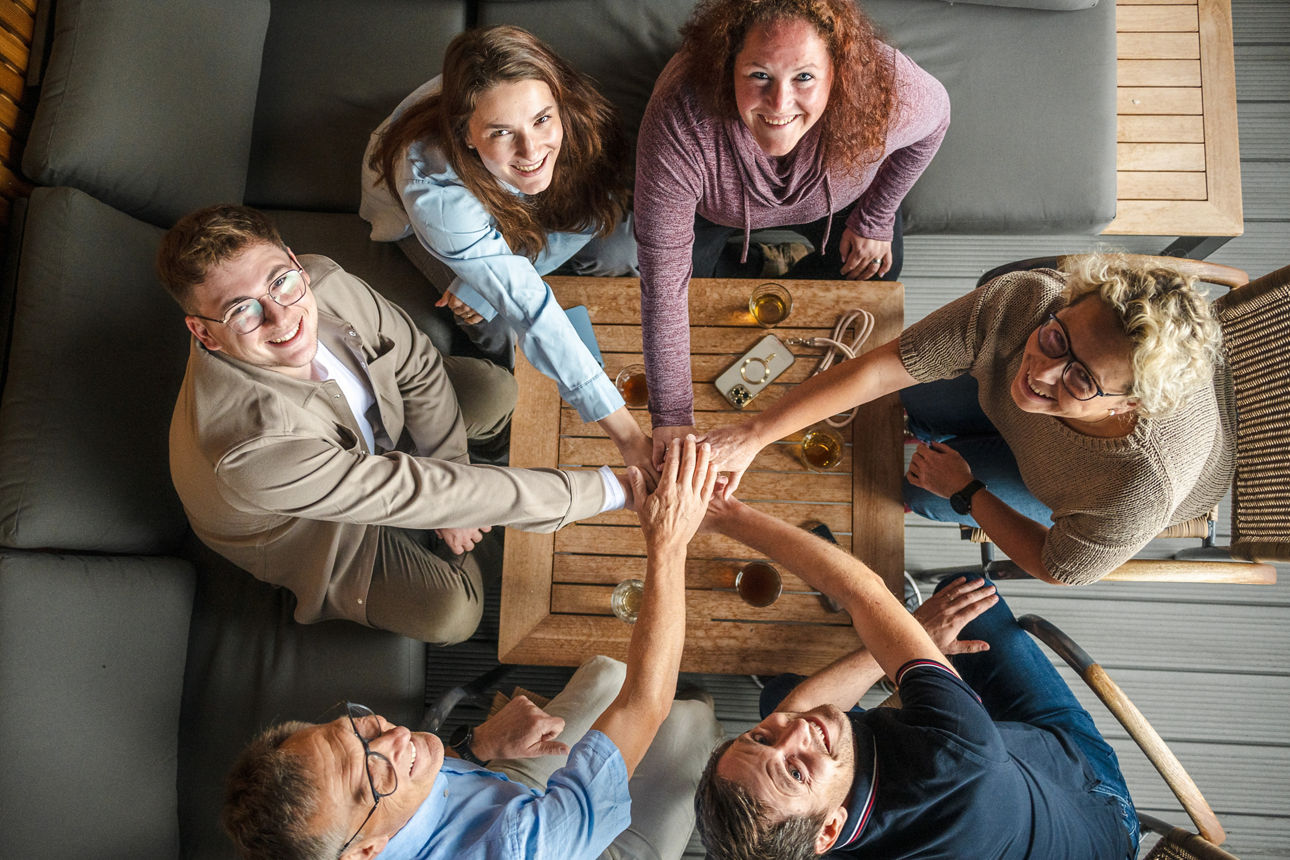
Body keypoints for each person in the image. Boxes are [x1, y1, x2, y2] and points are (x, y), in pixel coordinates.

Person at [220, 436, 724, 860]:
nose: (395, 736)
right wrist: (669, 542)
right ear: (366, 851)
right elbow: (644, 706)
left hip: (497, 790)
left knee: (609, 673)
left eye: (360, 726)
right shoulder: (521, 847)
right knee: (686, 722)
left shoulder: (381, 799)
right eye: (374, 771)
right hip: (573, 843)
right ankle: (704, 713)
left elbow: (394, 758)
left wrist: (476, 747)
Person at [161, 204, 637, 644]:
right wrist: (615, 490)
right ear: (204, 332)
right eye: (240, 310)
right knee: (451, 614)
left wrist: (453, 473)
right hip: (317, 528)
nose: (281, 317)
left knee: (493, 392)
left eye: (281, 281)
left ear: (293, 261)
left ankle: (485, 495)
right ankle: (491, 524)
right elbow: (411, 491)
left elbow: (416, 363)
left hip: (383, 432)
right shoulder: (250, 450)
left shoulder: (322, 278)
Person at [705, 255, 1233, 585]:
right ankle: (949, 429)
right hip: (1020, 418)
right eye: (1055, 339)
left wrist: (968, 492)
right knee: (909, 397)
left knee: (924, 493)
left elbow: (1057, 566)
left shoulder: (1139, 490)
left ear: (1127, 405)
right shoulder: (1028, 299)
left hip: (1085, 479)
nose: (1042, 374)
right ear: (1066, 305)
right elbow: (883, 369)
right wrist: (752, 436)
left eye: (1079, 380)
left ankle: (949, 477)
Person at [693, 495, 1140, 859]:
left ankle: (911, 665)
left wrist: (901, 647)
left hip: (985, 791)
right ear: (828, 833)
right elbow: (861, 591)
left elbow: (794, 710)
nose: (794, 732)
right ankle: (915, 661)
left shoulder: (793, 840)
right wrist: (726, 514)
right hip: (1092, 805)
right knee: (966, 590)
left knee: (780, 696)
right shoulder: (955, 758)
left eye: (760, 740)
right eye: (794, 771)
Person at [634, 0, 950, 458]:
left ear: (837, 71)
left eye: (804, 77)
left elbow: (936, 119)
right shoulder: (680, 121)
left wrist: (877, 215)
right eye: (759, 75)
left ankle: (778, 255)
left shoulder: (886, 86)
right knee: (693, 293)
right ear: (728, 67)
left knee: (879, 269)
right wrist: (673, 418)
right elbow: (662, 284)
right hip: (717, 212)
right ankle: (763, 257)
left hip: (840, 206)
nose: (780, 105)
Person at [362, 25, 654, 479]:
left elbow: (598, 207)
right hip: (418, 221)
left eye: (542, 120)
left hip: (515, 209)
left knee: (620, 248)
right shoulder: (434, 194)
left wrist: (492, 281)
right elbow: (529, 309)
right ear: (466, 136)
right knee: (496, 322)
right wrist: (630, 437)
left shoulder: (564, 109)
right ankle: (500, 434)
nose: (532, 150)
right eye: (502, 132)